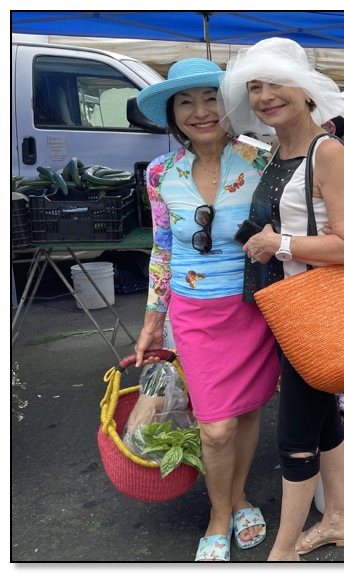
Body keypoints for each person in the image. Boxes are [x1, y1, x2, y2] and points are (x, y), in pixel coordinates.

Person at [219, 37, 344, 561]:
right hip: (284, 307)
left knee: (294, 435)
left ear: (305, 89)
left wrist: (277, 243)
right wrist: (256, 236)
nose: (264, 96)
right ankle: (339, 519)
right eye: (254, 86)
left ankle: (282, 552)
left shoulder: (327, 151)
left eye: (275, 82)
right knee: (323, 418)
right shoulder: (278, 151)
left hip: (314, 312)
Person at [133, 58, 280, 562]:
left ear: (231, 103)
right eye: (186, 102)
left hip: (252, 307)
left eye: (211, 97)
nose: (200, 111)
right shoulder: (160, 173)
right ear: (173, 114)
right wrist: (154, 321)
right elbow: (162, 250)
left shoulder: (263, 161)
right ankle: (220, 515)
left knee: (247, 410)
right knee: (214, 426)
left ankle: (238, 499)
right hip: (193, 315)